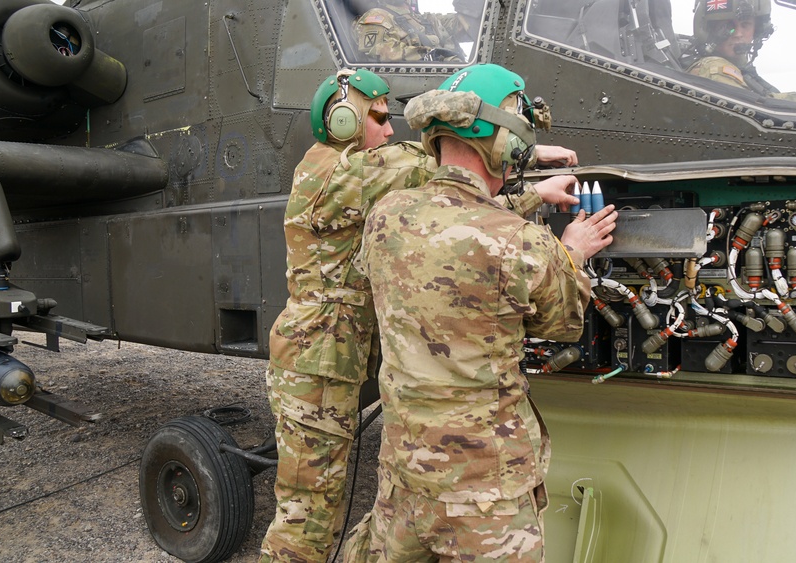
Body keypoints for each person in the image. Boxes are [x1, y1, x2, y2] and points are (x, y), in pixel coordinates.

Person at [260, 66, 585, 563]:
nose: (389, 130)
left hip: (334, 357)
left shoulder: (382, 206)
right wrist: (516, 145)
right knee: (308, 516)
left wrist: (529, 190)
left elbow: (449, 216)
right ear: (342, 121)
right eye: (378, 118)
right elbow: (436, 177)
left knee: (335, 514)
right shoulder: (332, 171)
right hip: (317, 364)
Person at [344, 64, 618, 561]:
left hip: (404, 476)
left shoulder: (386, 216)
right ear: (508, 145)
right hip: (485, 495)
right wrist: (571, 254)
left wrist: (530, 198)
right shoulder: (525, 243)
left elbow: (452, 229)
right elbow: (561, 324)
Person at [687, 0, 796, 101]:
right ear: (710, 31)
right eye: (727, 27)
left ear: (757, 30)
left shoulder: (743, 70)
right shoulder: (714, 67)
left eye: (745, 25)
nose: (738, 34)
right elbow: (751, 111)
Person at [353, 0, 483, 62]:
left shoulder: (426, 19)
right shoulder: (378, 16)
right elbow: (380, 50)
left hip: (456, 74)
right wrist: (427, 54)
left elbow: (467, 24)